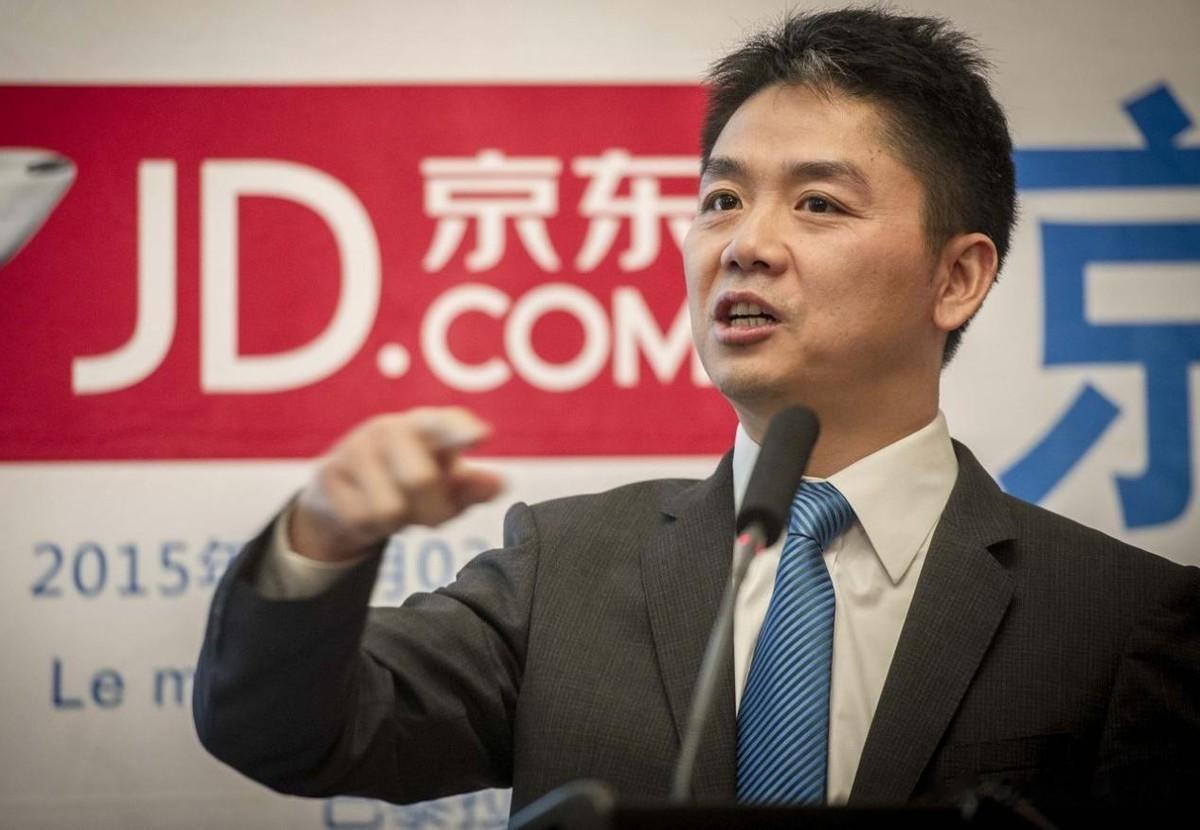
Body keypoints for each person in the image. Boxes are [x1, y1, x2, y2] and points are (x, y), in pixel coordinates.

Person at [193, 7, 1200, 818]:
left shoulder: (1118, 619)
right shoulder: (563, 569)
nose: (744, 244)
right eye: (722, 199)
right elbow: (287, 731)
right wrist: (320, 540)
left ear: (958, 277)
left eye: (818, 203)